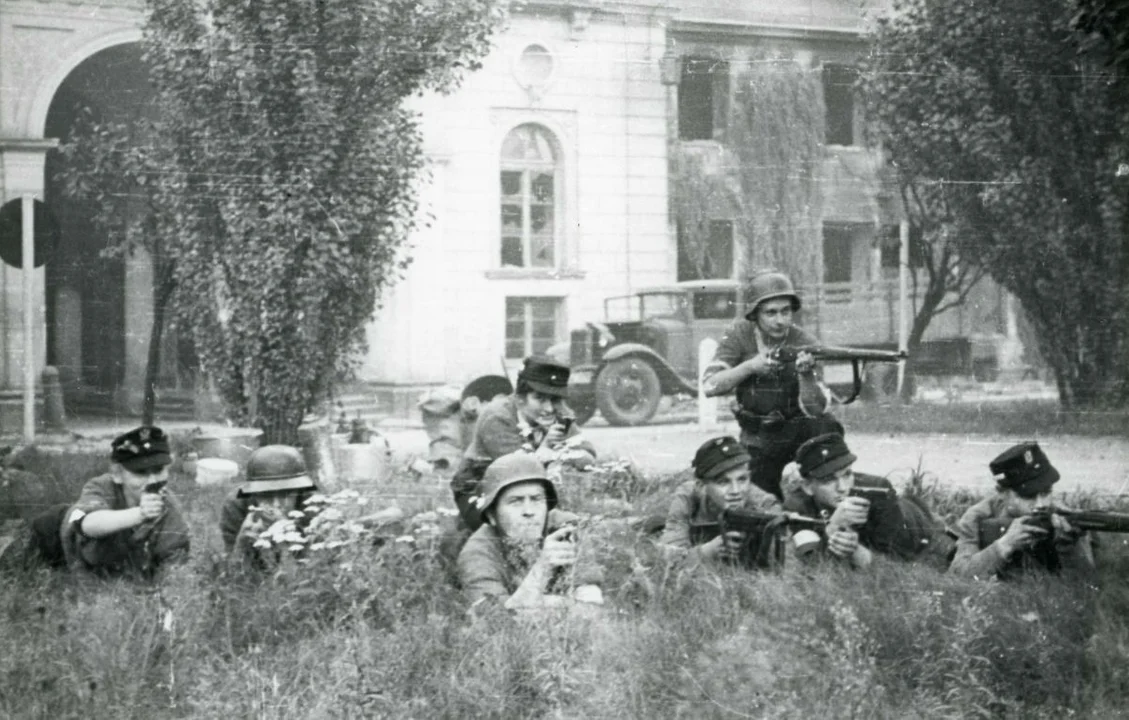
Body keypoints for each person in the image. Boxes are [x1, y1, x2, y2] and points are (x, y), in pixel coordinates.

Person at [701, 270, 842, 500]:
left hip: (800, 432)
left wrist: (805, 375)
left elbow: (817, 409)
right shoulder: (739, 335)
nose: (780, 320)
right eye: (771, 313)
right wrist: (750, 367)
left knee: (827, 432)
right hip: (759, 437)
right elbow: (709, 386)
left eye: (786, 311)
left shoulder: (805, 343)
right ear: (755, 315)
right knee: (761, 501)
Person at [450, 356, 596, 532]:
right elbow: (520, 472)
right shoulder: (496, 417)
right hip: (479, 485)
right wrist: (548, 449)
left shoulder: (560, 411)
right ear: (520, 397)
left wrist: (555, 455)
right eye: (540, 399)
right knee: (518, 527)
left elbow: (588, 456)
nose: (549, 408)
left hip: (533, 488)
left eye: (555, 399)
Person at [457, 452, 604, 612]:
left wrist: (540, 604)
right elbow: (496, 621)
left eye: (536, 499)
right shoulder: (478, 553)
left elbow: (592, 609)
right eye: (515, 501)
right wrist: (542, 568)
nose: (529, 511)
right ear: (492, 515)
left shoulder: (566, 528)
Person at [782, 433, 941, 569]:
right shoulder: (797, 505)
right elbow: (814, 567)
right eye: (829, 480)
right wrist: (832, 529)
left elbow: (899, 563)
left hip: (917, 522)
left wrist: (856, 552)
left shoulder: (878, 491)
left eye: (847, 474)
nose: (843, 488)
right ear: (808, 487)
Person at [54, 426, 190, 579]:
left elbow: (174, 559)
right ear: (117, 475)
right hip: (57, 536)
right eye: (140, 472)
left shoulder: (169, 505)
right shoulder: (102, 487)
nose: (152, 481)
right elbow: (85, 524)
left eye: (158, 470)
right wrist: (140, 514)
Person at [949, 441, 1094, 580]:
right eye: (1028, 495)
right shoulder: (978, 516)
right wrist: (1005, 545)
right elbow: (957, 575)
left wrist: (1069, 546)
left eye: (1046, 492)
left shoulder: (1061, 515)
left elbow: (1087, 585)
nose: (1041, 504)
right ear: (1002, 494)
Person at [658, 436, 782, 565]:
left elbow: (781, 553)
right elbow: (669, 559)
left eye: (742, 479)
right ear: (702, 485)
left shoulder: (762, 501)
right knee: (653, 526)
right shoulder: (687, 497)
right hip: (674, 522)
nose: (736, 490)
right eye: (723, 482)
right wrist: (707, 552)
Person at [220, 444, 319, 567]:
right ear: (253, 493)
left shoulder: (312, 505)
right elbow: (231, 574)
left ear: (299, 491)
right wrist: (241, 543)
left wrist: (289, 537)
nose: (276, 504)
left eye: (285, 495)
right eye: (266, 495)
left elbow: (315, 568)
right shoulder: (236, 505)